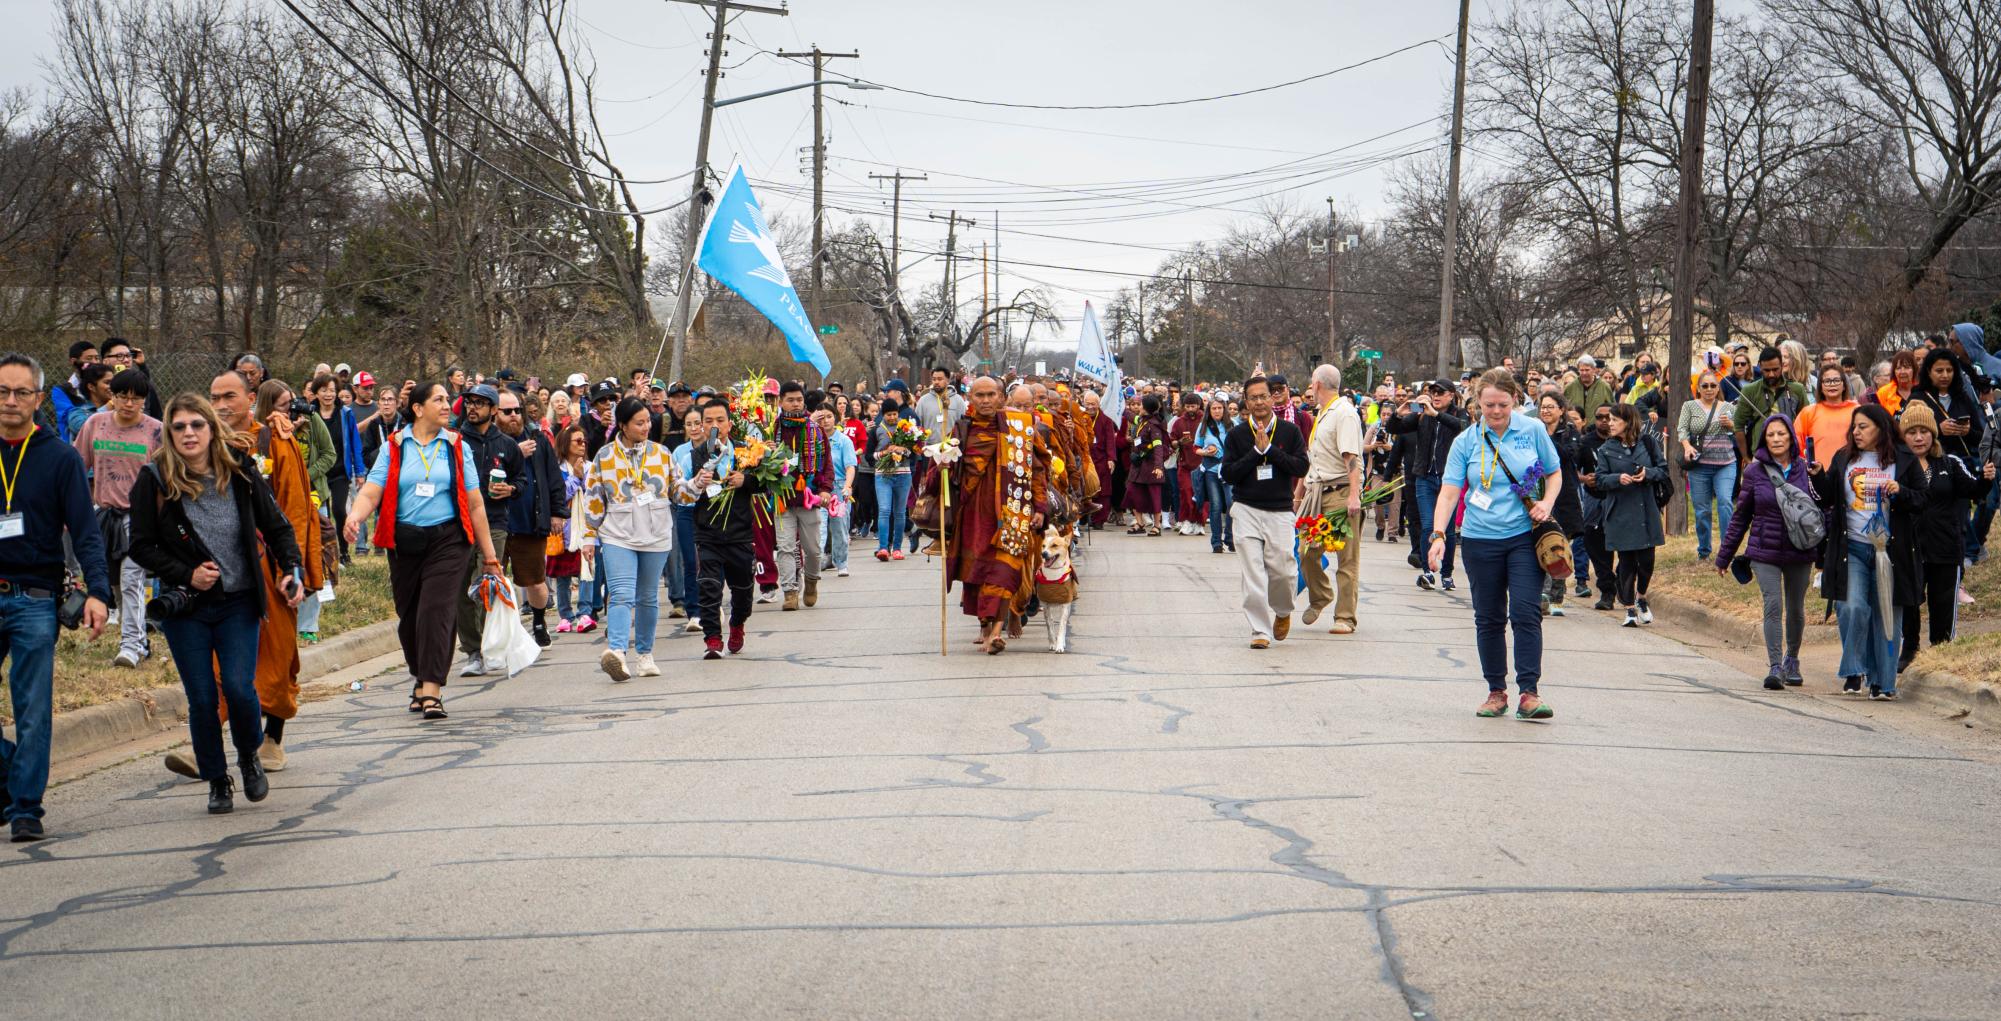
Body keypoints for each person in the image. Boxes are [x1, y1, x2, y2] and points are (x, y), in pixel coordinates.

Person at [128, 394, 306, 815]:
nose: (188, 433)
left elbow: (277, 526)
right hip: (186, 607)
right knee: (203, 697)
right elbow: (139, 546)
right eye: (179, 427)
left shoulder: (240, 472)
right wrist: (187, 574)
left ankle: (247, 757)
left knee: (242, 690)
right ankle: (216, 779)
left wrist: (290, 568)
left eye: (196, 425)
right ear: (169, 434)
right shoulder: (154, 480)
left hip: (238, 602)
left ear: (211, 428)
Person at [174, 372, 319, 776]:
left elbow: (291, 510)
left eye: (229, 397)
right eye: (214, 396)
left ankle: (273, 738)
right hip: (215, 572)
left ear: (251, 398)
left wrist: (292, 568)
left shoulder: (274, 440)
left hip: (268, 569)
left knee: (277, 654)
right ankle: (208, 744)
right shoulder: (201, 444)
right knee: (219, 661)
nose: (220, 405)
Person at [0, 353, 111, 842]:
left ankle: (26, 806)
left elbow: (86, 532)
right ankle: (10, 783)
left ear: (39, 398)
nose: (10, 401)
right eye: (3, 391)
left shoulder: (59, 457)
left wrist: (98, 592)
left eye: (22, 392)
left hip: (35, 599)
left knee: (32, 708)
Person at [344, 381, 500, 720]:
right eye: (439, 400)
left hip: (449, 540)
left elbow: (475, 505)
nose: (448, 405)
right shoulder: (395, 446)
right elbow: (372, 491)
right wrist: (355, 517)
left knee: (437, 610)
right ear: (417, 408)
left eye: (448, 399)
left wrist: (489, 557)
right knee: (410, 616)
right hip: (404, 541)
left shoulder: (457, 446)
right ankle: (419, 676)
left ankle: (432, 689)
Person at [1430, 369, 1561, 719]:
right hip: (1479, 538)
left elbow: (1554, 471)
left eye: (1502, 404)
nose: (1496, 411)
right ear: (1477, 403)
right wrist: (1439, 534)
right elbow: (1450, 492)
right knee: (1488, 618)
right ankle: (1496, 692)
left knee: (1525, 611)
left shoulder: (1532, 431)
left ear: (1515, 401)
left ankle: (1530, 693)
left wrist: (1547, 503)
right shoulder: (1467, 441)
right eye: (1488, 405)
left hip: (1522, 536)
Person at [928, 376, 1049, 654]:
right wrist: (943, 465)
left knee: (1004, 572)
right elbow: (936, 480)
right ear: (970, 399)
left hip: (1013, 513)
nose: (985, 401)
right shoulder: (962, 430)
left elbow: (1039, 470)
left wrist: (1040, 508)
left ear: (1001, 397)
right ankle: (986, 626)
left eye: (990, 395)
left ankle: (996, 632)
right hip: (972, 518)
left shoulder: (1021, 428)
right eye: (979, 396)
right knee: (977, 574)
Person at [1812, 403, 1919, 698]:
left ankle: (1882, 683)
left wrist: (1901, 492)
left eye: (1863, 427)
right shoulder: (1844, 457)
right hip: (1854, 548)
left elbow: (1923, 499)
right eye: (1854, 427)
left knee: (1886, 616)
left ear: (1881, 428)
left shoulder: (1904, 459)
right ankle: (1854, 670)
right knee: (1852, 607)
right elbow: (1826, 498)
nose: (1856, 432)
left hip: (1890, 552)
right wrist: (1819, 476)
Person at [1715, 414, 1820, 688]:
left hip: (1800, 549)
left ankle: (1792, 659)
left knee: (1796, 608)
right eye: (1770, 435)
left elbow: (1822, 509)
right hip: (1764, 549)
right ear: (1764, 439)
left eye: (1781, 434)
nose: (1776, 439)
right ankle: (1775, 666)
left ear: (1791, 438)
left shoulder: (1806, 469)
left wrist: (1824, 550)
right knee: (1773, 605)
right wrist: (1725, 555)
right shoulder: (1754, 471)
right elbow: (1741, 516)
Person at [581, 397, 683, 681]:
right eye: (639, 423)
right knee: (622, 595)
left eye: (648, 421)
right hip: (617, 534)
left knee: (648, 597)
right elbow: (593, 500)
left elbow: (679, 492)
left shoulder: (662, 454)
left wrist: (698, 484)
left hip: (655, 533)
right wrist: (589, 536)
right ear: (623, 426)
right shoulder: (604, 456)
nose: (646, 427)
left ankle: (645, 655)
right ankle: (617, 654)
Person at [73, 368, 162, 666]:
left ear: (144, 400)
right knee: (115, 584)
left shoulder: (155, 431)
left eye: (135, 399)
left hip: (140, 518)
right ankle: (141, 641)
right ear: (112, 396)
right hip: (104, 514)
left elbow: (168, 478)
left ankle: (131, 646)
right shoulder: (95, 423)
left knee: (131, 579)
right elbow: (76, 465)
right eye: (122, 396)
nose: (128, 404)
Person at [1897, 402, 1990, 670]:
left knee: (1943, 603)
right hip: (1909, 548)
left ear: (1933, 433)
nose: (1918, 437)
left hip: (1945, 547)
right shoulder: (1896, 466)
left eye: (1923, 431)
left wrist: (1985, 478)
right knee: (1910, 601)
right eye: (1911, 431)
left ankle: (1941, 652)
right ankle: (1910, 650)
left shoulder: (1949, 463)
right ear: (1903, 435)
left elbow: (1975, 491)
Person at [1221, 376, 1308, 649]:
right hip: (1246, 509)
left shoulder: (1289, 432)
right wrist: (1255, 454)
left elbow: (1301, 467)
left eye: (1263, 396)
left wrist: (1270, 450)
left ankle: (1282, 611)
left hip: (1280, 511)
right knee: (1253, 573)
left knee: (1283, 570)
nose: (1259, 402)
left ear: (1273, 398)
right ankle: (1259, 629)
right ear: (1246, 402)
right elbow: (1228, 473)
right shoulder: (1236, 435)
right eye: (1253, 398)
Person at [453, 384, 524, 676]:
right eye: (469, 402)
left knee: (485, 583)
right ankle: (473, 651)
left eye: (480, 403)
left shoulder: (506, 444)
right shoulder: (454, 440)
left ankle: (491, 647)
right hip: (459, 523)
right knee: (460, 589)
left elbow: (522, 480)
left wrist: (511, 489)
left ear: (493, 410)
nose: (473, 408)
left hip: (494, 522)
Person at [680, 396, 757, 659]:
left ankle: (737, 624)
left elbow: (765, 483)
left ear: (729, 423)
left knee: (744, 589)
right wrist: (699, 481)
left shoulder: (748, 450)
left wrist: (744, 480)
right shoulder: (697, 455)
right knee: (709, 586)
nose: (714, 425)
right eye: (708, 421)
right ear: (701, 425)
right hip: (708, 532)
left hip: (740, 533)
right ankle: (713, 638)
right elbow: (686, 492)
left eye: (719, 420)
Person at [1299, 364, 1365, 635]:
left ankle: (1345, 617)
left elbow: (1351, 458)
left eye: (1311, 384)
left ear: (1317, 385)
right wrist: (1299, 493)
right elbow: (1315, 458)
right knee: (1307, 552)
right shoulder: (1323, 413)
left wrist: (1353, 495)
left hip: (1339, 495)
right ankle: (1321, 595)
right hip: (1317, 494)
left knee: (1346, 559)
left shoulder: (1345, 413)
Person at [1387, 380, 1469, 591]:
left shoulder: (1459, 414)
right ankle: (1427, 572)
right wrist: (1400, 412)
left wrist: (1436, 414)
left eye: (1440, 392)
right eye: (1433, 392)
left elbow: (1464, 428)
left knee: (1447, 530)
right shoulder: (1422, 414)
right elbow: (1394, 428)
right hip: (1425, 477)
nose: (1436, 395)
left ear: (1451, 395)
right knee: (1428, 526)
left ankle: (1447, 574)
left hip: (1449, 479)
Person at [1592, 403, 1667, 628]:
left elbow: (1663, 470)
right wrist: (1618, 478)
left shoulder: (1648, 442)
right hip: (1620, 510)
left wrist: (1648, 473)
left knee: (1646, 561)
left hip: (1646, 509)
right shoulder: (1606, 449)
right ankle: (1629, 609)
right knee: (1626, 562)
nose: (1609, 423)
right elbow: (1600, 480)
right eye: (1608, 420)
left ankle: (1641, 597)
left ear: (1628, 421)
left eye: (1614, 420)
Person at [495, 388, 559, 646]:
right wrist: (514, 453)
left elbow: (553, 477)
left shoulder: (538, 439)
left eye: (517, 411)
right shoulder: (488, 442)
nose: (514, 416)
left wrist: (557, 513)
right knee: (493, 580)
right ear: (494, 413)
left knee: (535, 582)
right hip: (495, 522)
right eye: (507, 411)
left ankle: (539, 621)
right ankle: (497, 632)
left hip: (528, 521)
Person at [772, 381, 834, 610]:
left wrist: (826, 489)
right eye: (790, 399)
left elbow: (827, 463)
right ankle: (789, 592)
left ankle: (811, 581)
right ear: (781, 402)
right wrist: (767, 453)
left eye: (799, 399)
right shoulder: (773, 429)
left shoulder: (815, 429)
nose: (796, 403)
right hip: (782, 497)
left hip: (809, 498)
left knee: (814, 550)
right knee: (785, 547)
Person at [1678, 370, 1739, 560]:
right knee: (1702, 510)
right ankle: (1704, 550)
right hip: (1699, 465)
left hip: (1725, 463)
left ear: (1718, 387)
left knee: (1725, 503)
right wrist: (1687, 447)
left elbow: (1740, 430)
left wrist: (1731, 425)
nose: (1709, 389)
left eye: (1713, 385)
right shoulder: (1689, 406)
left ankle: (1726, 551)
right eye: (1705, 385)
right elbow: (1682, 430)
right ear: (1698, 388)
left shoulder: (1728, 407)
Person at [1536, 390, 1585, 617]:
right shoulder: (1533, 431)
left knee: (1559, 544)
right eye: (1543, 407)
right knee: (1541, 542)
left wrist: (1545, 441)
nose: (1545, 411)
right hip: (1538, 493)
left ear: (1561, 410)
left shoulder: (1570, 433)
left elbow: (1567, 455)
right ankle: (1542, 594)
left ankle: (1557, 595)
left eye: (1550, 407)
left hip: (1564, 495)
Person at [548, 424, 593, 633]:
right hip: (563, 529)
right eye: (577, 441)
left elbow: (594, 497)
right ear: (565, 444)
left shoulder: (591, 467)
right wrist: (575, 477)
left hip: (586, 528)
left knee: (587, 571)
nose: (582, 445)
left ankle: (585, 612)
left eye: (584, 441)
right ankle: (565, 615)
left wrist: (583, 478)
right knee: (563, 575)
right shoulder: (556, 469)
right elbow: (558, 496)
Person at [1910, 347, 1985, 464]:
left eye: (1949, 370)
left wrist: (1967, 431)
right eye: (1939, 371)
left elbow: (1981, 437)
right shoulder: (1918, 398)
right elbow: (1908, 435)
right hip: (1931, 464)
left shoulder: (1962, 398)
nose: (1945, 375)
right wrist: (1939, 430)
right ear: (1929, 372)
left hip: (1963, 464)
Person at [1731, 346, 1810, 456]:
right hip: (1759, 456)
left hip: (1791, 454)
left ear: (1782, 366)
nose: (1771, 374)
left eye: (1775, 369)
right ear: (1760, 366)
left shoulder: (1797, 389)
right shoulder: (1750, 390)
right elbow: (1738, 426)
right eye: (1766, 370)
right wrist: (1746, 458)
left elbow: (1807, 423)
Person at [814, 406, 855, 577]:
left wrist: (847, 486)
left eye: (830, 416)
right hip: (820, 487)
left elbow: (850, 467)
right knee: (819, 526)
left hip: (838, 488)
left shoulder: (844, 441)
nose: (826, 421)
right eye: (822, 417)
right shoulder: (814, 440)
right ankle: (815, 563)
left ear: (836, 418)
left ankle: (842, 563)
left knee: (839, 528)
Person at [1795, 364, 1860, 471]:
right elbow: (1797, 444)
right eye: (1827, 381)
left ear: (1844, 385)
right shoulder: (1808, 412)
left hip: (1851, 475)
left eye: (1836, 380)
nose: (1832, 384)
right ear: (1821, 387)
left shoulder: (1857, 411)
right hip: (1817, 475)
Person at [1194, 397, 1235, 553]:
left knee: (1231, 503)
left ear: (1224, 409)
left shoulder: (1233, 425)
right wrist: (1206, 452)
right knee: (1216, 505)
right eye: (1214, 408)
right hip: (1211, 470)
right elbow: (1195, 448)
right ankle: (1216, 542)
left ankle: (1230, 538)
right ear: (1209, 411)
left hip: (1228, 470)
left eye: (1219, 408)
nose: (1217, 411)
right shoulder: (1204, 426)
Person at [1125, 395, 1169, 535]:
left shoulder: (1154, 426)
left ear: (1147, 409)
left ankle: (1157, 526)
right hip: (1137, 465)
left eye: (1141, 405)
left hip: (1151, 467)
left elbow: (1158, 447)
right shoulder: (1142, 420)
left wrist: (1158, 467)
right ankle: (1140, 523)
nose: (1139, 408)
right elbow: (1130, 416)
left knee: (1154, 496)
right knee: (1132, 493)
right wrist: (1119, 404)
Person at [1168, 393, 1206, 535]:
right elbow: (1172, 442)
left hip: (1202, 464)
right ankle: (1186, 521)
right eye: (1188, 406)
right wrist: (1178, 443)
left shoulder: (1205, 420)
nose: (1191, 409)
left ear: (1198, 406)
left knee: (1201, 495)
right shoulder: (1179, 422)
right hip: (1184, 465)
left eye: (1193, 406)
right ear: (1184, 406)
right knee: (1186, 493)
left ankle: (1199, 522)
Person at [1083, 389, 1120, 529]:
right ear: (1083, 403)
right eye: (1088, 404)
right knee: (1086, 488)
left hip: (1102, 459)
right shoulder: (1080, 417)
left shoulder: (1105, 419)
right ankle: (1085, 518)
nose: (1090, 407)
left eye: (1093, 404)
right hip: (1086, 458)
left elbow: (1111, 440)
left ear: (1098, 404)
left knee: (1103, 490)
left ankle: (1099, 520)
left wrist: (1111, 458)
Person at [915, 366, 966, 448]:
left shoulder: (958, 400)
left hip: (952, 449)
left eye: (940, 379)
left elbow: (963, 425)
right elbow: (917, 425)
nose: (936, 382)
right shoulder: (923, 401)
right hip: (929, 449)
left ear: (948, 380)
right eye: (934, 379)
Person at [1561, 355, 1616, 421]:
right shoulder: (1570, 387)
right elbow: (1563, 409)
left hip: (1597, 428)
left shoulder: (1604, 386)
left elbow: (1613, 409)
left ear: (1594, 370)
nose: (1584, 373)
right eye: (1582, 370)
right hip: (1575, 428)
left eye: (1587, 370)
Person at [1877, 351, 1919, 416]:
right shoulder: (1883, 393)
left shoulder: (1922, 391)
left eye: (1907, 367)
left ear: (1914, 369)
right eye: (1898, 368)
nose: (1902, 372)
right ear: (1894, 372)